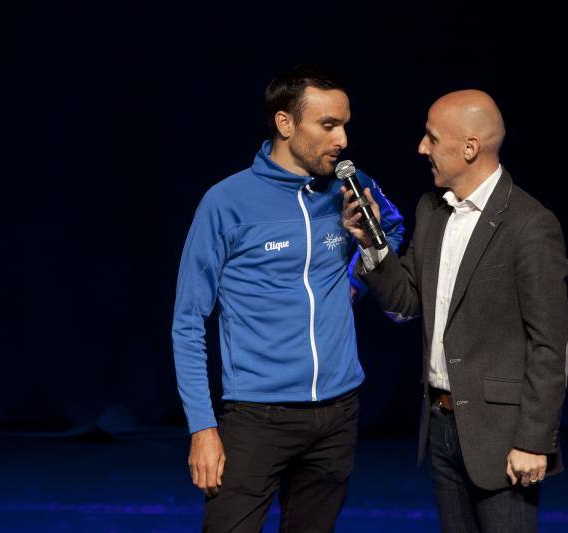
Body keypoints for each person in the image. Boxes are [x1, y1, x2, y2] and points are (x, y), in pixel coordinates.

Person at [172, 64, 404, 532]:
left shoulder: (351, 186)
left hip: (338, 414)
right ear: (285, 123)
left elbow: (391, 228)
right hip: (257, 415)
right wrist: (202, 427)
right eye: (328, 125)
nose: (342, 139)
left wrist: (353, 282)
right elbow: (188, 321)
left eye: (345, 125)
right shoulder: (227, 202)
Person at [343, 90, 568, 532]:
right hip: (443, 427)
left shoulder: (529, 224)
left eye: (431, 138)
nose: (421, 148)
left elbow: (550, 344)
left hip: (503, 438)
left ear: (470, 148)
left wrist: (533, 441)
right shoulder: (432, 211)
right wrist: (372, 243)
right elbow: (407, 301)